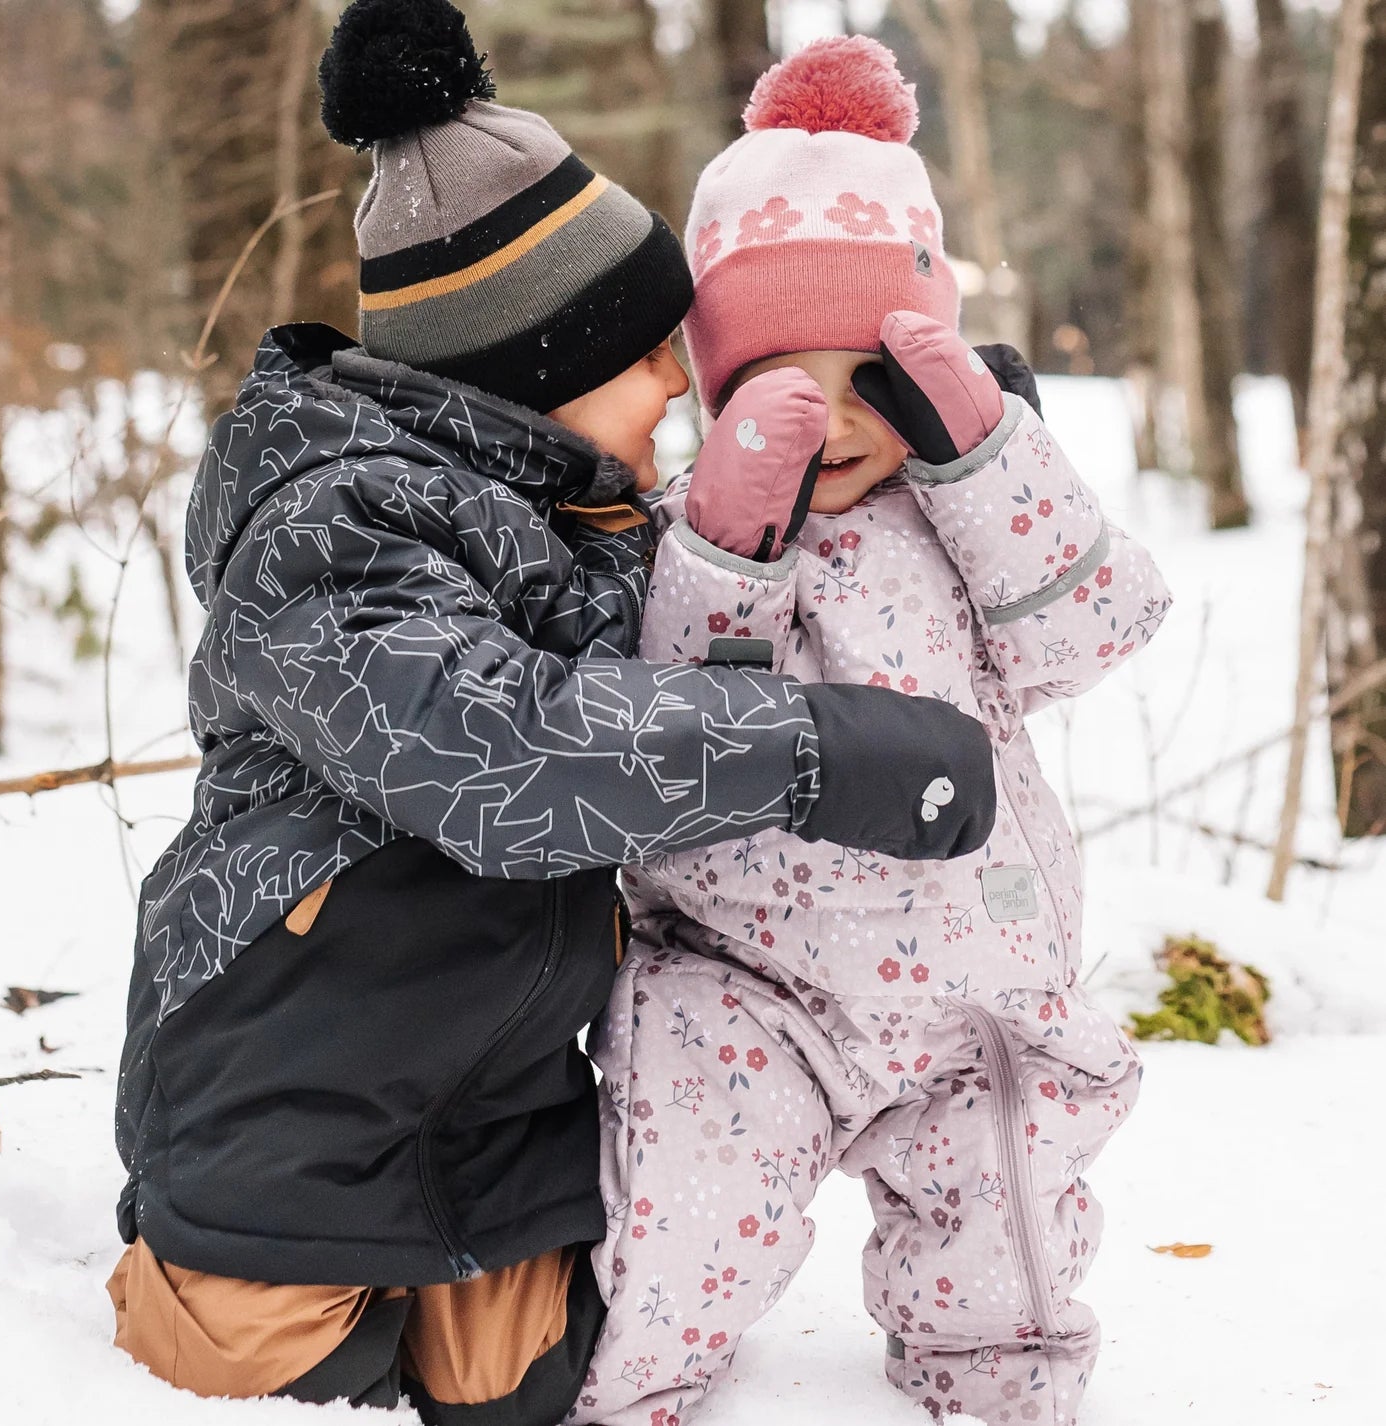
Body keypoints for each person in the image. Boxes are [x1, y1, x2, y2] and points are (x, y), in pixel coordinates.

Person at [107, 7, 998, 1423]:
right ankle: (207, 1259)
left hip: (499, 1084)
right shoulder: (334, 529)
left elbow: (773, 584)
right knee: (256, 1365)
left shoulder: (579, 516)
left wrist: (963, 459)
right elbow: (492, 747)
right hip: (293, 1059)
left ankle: (422, 1284)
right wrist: (816, 752)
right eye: (643, 353)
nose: (673, 385)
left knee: (526, 1388)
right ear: (530, 363)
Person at [573, 36, 1174, 1426]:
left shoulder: (969, 514)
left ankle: (998, 1383)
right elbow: (683, 735)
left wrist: (986, 451)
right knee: (683, 1205)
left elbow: (1098, 630)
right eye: (785, 378)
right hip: (748, 983)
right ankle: (635, 1381)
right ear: (719, 380)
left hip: (976, 996)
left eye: (873, 378)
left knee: (1004, 1233)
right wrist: (728, 541)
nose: (833, 420)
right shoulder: (691, 530)